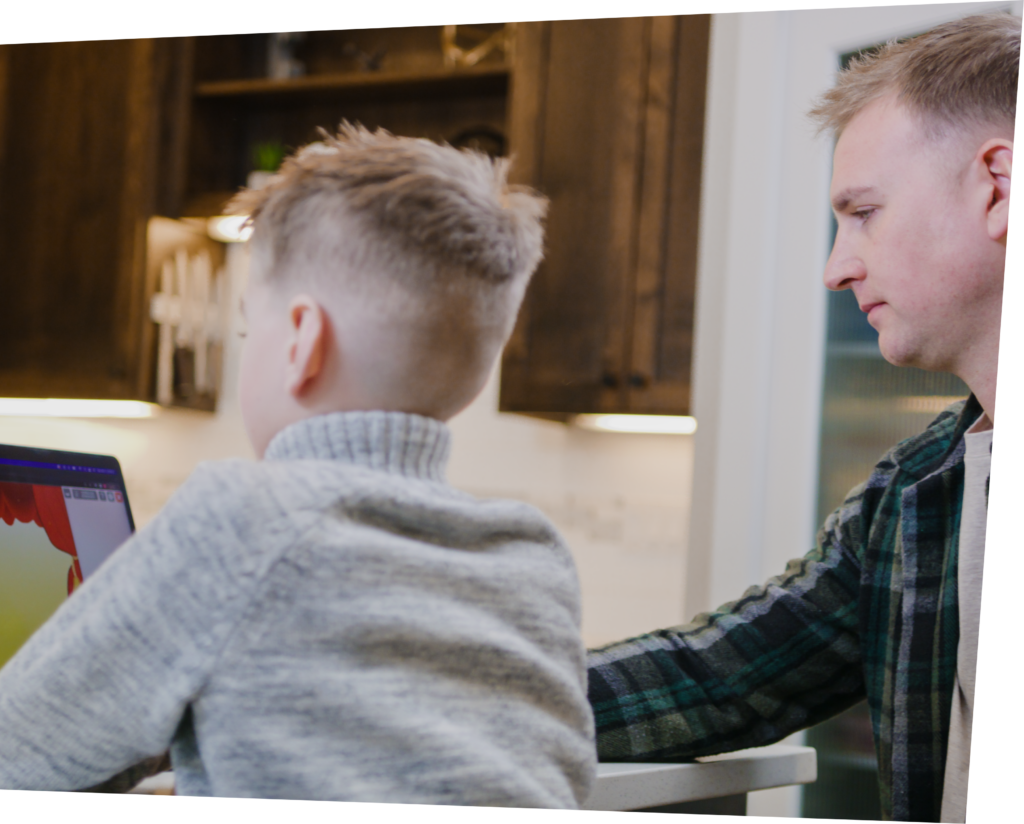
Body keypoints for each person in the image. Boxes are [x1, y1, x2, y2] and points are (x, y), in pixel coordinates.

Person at [0, 124, 596, 809]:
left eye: (251, 327)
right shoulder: (534, 555)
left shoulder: (241, 519)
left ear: (303, 342)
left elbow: (18, 744)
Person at [586, 12, 1021, 824]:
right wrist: (443, 698)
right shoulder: (912, 499)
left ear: (999, 185)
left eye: (863, 212)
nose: (836, 266)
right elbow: (716, 679)